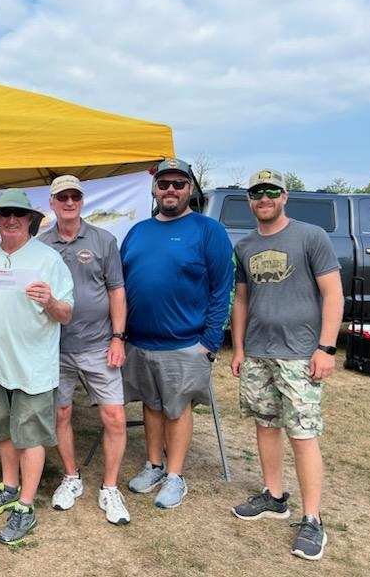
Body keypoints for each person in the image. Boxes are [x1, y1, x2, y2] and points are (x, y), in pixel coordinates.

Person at [230, 169, 342, 561]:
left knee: (302, 433)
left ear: (284, 196)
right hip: (258, 352)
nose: (264, 198)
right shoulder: (244, 246)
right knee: (265, 425)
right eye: (256, 193)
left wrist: (326, 348)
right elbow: (241, 300)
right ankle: (275, 496)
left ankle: (313, 519)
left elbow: (333, 294)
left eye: (270, 191)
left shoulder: (311, 236)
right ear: (250, 200)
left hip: (299, 354)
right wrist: (240, 349)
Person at [120, 157, 234, 509]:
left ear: (190, 189)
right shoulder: (138, 231)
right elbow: (120, 284)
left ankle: (175, 475)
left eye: (179, 184)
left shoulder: (208, 230)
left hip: (186, 342)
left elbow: (222, 288)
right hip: (140, 341)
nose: (171, 190)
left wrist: (210, 341)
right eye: (164, 184)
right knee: (151, 406)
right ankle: (154, 465)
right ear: (154, 190)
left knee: (177, 408)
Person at [0, 188, 74, 544]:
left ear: (30, 219)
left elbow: (66, 313)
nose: (11, 220)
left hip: (33, 367)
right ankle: (10, 486)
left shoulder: (48, 259)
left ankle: (26, 506)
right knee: (3, 429)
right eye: (4, 215)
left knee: (30, 435)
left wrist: (50, 301)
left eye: (18, 214)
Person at [38, 175, 130, 525]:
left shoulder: (104, 240)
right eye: (62, 197)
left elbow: (116, 291)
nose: (69, 202)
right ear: (52, 202)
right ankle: (71, 477)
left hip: (98, 345)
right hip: (55, 347)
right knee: (60, 415)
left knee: (114, 418)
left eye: (75, 196)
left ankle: (109, 488)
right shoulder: (41, 244)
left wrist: (118, 337)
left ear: (82, 200)